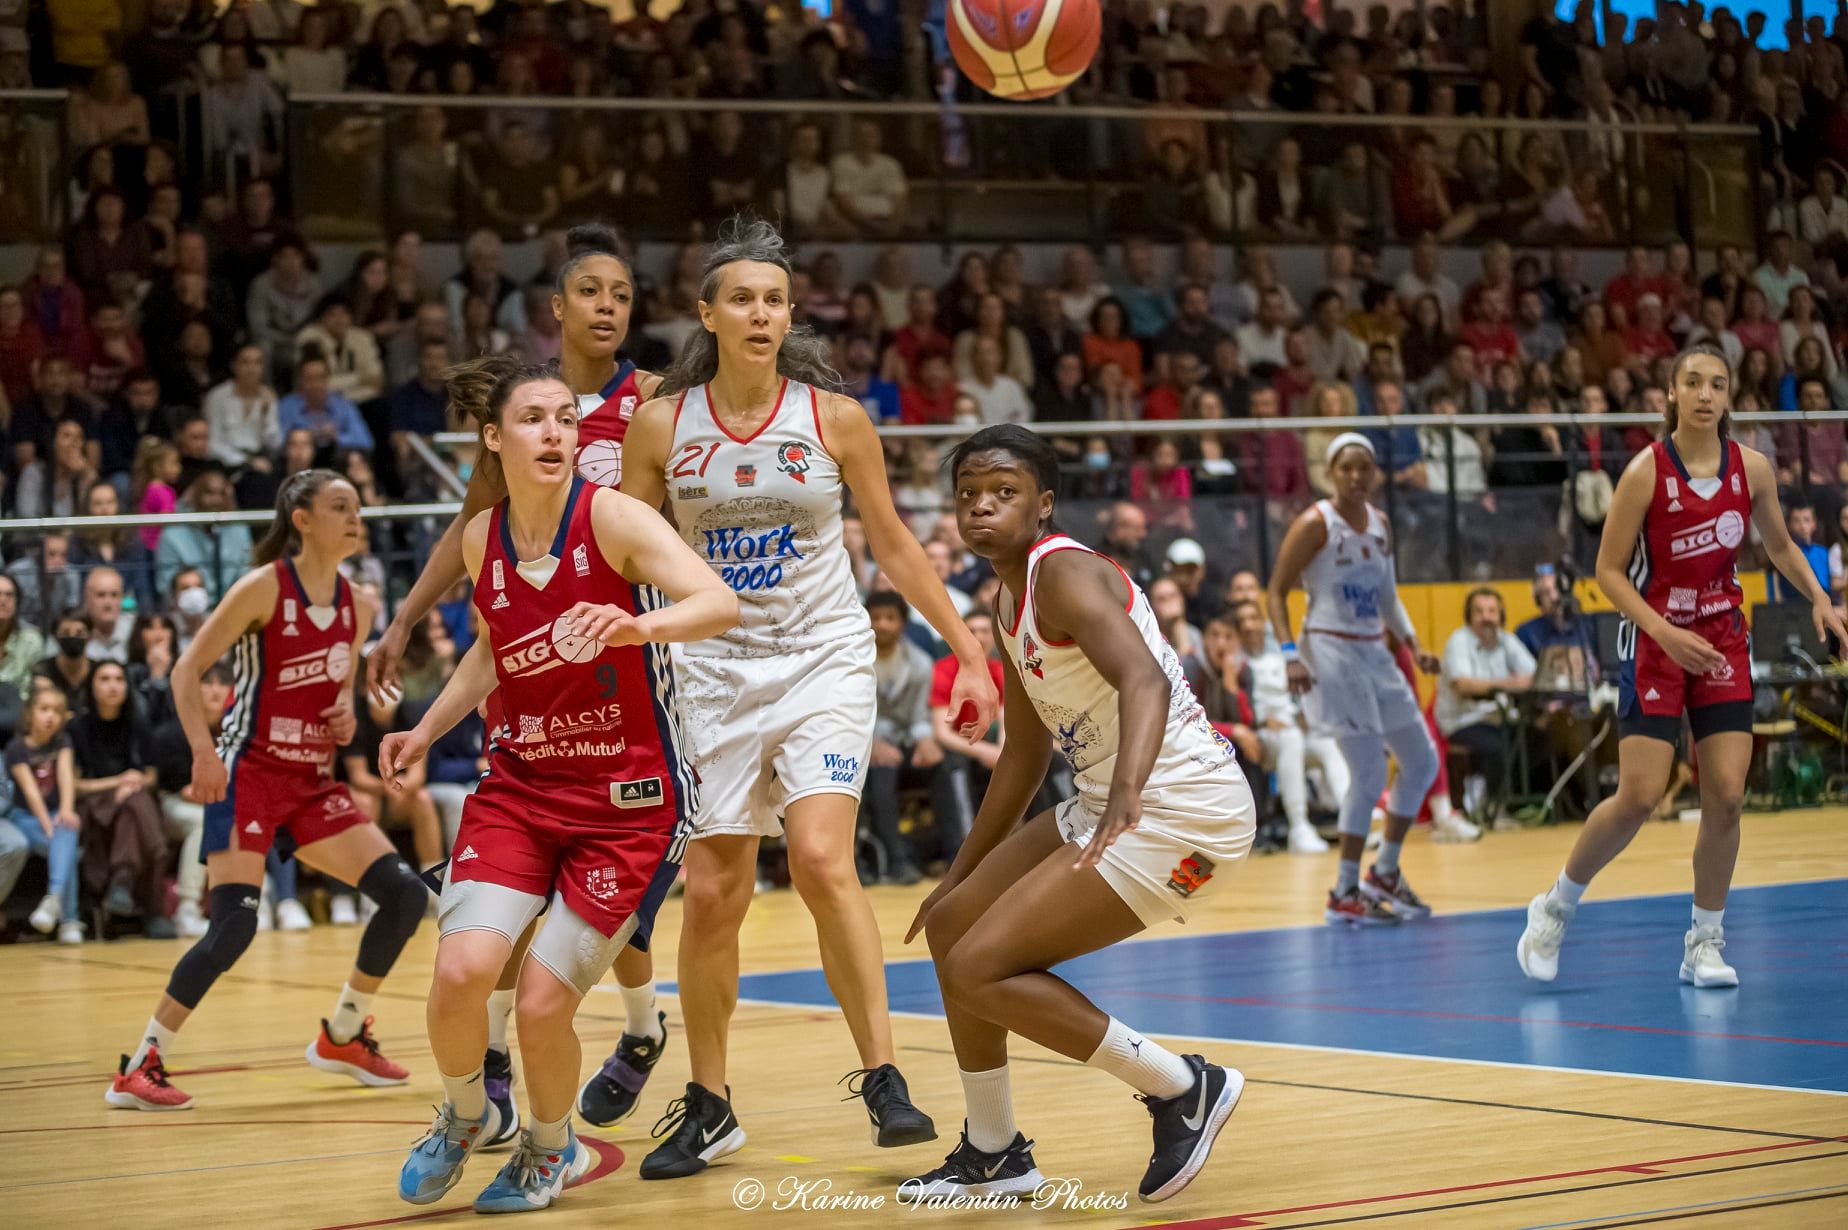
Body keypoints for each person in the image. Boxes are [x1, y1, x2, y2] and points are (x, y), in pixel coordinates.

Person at [618, 217, 998, 1178]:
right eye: (742, 299)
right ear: (707, 313)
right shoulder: (661, 427)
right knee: (715, 893)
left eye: (775, 301)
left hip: (822, 658)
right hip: (709, 672)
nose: (760, 313)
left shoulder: (834, 419)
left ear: (791, 318)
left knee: (824, 858)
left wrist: (969, 653)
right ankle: (710, 1104)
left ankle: (884, 1076)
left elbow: (895, 545)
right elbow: (623, 552)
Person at [386, 356, 738, 1213]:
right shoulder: (482, 539)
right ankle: (465, 1115)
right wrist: (425, 729)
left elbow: (719, 602)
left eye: (566, 420)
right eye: (534, 419)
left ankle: (552, 1149)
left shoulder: (612, 516)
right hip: (521, 789)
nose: (555, 434)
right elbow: (493, 651)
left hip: (629, 803)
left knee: (544, 1006)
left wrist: (637, 625)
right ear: (493, 437)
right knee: (461, 972)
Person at [367, 224, 677, 1139]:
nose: (607, 307)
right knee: (514, 892)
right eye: (590, 292)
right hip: (533, 657)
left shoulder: (655, 399)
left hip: (629, 650)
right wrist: (404, 618)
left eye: (622, 294)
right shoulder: (515, 414)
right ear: (557, 306)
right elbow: (472, 528)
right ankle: (495, 1064)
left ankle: (640, 1025)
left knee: (606, 889)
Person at [901, 424, 1251, 1206]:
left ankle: (1181, 1086)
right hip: (1109, 801)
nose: (982, 506)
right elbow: (1023, 756)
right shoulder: (1007, 601)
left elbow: (1144, 680)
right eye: (968, 494)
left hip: (1184, 812)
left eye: (1004, 492)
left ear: (1043, 504)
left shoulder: (1062, 573)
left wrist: (1126, 788)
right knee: (954, 925)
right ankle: (994, 1152)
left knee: (978, 967)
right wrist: (957, 876)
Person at [1518, 345, 1848, 988]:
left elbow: (1779, 544)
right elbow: (1608, 572)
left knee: (1727, 796)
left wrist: (1819, 598)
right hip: (1655, 637)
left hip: (1721, 638)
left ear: (1729, 396)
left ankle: (1704, 941)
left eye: (1717, 384)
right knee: (1639, 796)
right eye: (1692, 382)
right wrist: (1665, 633)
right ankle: (1554, 906)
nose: (1704, 394)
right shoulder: (1646, 471)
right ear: (1671, 393)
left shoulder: (1752, 469)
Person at [105, 470, 430, 1112]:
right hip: (247, 771)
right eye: (339, 506)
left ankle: (344, 1035)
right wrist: (204, 753)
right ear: (302, 520)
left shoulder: (360, 604)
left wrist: (344, 716)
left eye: (357, 506)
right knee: (234, 926)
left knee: (404, 895)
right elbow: (186, 670)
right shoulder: (263, 588)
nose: (355, 516)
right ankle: (139, 1066)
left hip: (310, 781)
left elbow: (338, 692)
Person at [1266, 434, 1443, 925]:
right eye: (1346, 467)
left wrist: (1414, 645)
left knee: (1421, 762)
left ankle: (1384, 873)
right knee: (1367, 773)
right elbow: (1276, 592)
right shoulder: (1315, 523)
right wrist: (1289, 654)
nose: (1356, 475)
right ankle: (1343, 890)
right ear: (1331, 472)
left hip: (1373, 652)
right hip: (1329, 652)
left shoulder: (1381, 524)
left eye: (1364, 467)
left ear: (1375, 473)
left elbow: (1388, 597)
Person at [1232, 602, 1341, 855]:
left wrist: (1303, 716)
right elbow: (1236, 706)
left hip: (1292, 728)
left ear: (1263, 623)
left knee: (1327, 744)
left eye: (1253, 618)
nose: (1249, 626)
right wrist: (1261, 721)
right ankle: (1299, 827)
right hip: (1262, 735)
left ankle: (1352, 817)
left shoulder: (1279, 657)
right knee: (1291, 739)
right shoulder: (1236, 662)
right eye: (1242, 621)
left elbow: (1299, 698)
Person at [1436, 588, 1535, 824]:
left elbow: (1534, 675)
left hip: (1498, 718)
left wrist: (1514, 683)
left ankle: (1523, 803)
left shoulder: (1507, 641)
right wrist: (1508, 683)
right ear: (1469, 617)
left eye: (1491, 611)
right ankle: (1493, 810)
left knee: (1538, 740)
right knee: (1497, 746)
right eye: (1479, 612)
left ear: (1500, 615)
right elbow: (1463, 684)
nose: (1486, 617)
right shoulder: (1459, 641)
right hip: (1462, 721)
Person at [864, 591, 942, 886]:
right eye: (876, 617)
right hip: (864, 743)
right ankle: (895, 861)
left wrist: (926, 740)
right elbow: (848, 712)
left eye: (890, 618)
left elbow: (921, 716)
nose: (882, 624)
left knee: (946, 763)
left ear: (903, 623)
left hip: (905, 742)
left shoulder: (920, 663)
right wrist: (871, 744)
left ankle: (954, 853)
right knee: (882, 771)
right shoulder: (851, 660)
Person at [8, 685, 84, 944]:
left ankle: (53, 901)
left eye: (57, 711)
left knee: (68, 828)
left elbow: (66, 778)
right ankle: (69, 919)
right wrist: (49, 827)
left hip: (54, 814)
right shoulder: (16, 748)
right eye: (44, 709)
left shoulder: (62, 741)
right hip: (25, 818)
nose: (51, 716)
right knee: (65, 847)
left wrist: (66, 810)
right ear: (30, 714)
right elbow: (30, 791)